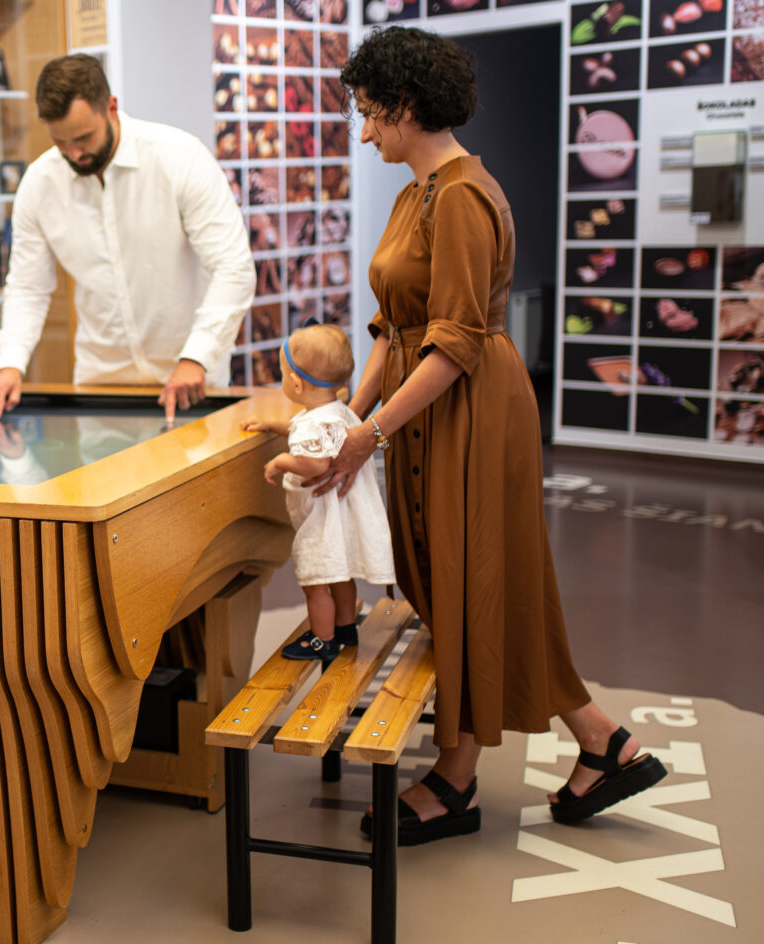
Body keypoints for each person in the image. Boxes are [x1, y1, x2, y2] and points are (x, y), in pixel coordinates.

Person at [313, 28, 667, 845]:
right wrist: (349, 417)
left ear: (404, 106)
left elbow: (455, 343)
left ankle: (458, 778)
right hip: (429, 406)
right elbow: (393, 327)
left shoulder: (464, 197)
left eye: (368, 113)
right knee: (461, 577)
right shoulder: (416, 193)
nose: (364, 133)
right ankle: (599, 743)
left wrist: (369, 432)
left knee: (471, 577)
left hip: (471, 407)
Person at [0, 54, 254, 423]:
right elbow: (28, 287)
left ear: (111, 107)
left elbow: (234, 268)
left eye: (84, 137)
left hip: (191, 380)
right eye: (60, 142)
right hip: (100, 389)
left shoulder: (180, 157)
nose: (75, 153)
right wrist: (10, 363)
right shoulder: (39, 183)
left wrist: (197, 357)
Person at [242, 323, 395, 664]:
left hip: (321, 520)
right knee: (339, 575)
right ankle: (345, 628)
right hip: (338, 515)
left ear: (296, 384)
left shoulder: (313, 424)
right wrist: (271, 424)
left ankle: (321, 640)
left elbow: (315, 463)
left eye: (282, 374)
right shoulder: (336, 411)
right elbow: (301, 430)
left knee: (316, 583)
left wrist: (281, 461)